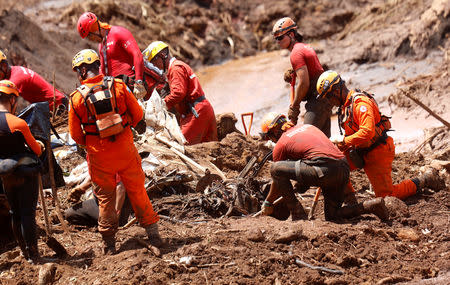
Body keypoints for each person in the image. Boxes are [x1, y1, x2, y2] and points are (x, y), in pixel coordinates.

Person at [68, 49, 162, 254]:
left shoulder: (76, 99)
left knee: (105, 200)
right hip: (125, 149)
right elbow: (138, 115)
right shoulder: (118, 86)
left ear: (83, 70)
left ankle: (110, 245)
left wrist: (94, 142)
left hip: (99, 155)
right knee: (138, 191)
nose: (78, 74)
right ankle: (154, 235)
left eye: (78, 71)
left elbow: (75, 136)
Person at [316, 70, 445, 199]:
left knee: (386, 196)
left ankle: (425, 180)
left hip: (377, 151)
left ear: (336, 92)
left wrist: (344, 140)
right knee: (334, 166)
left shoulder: (360, 104)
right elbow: (354, 136)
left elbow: (367, 132)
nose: (328, 102)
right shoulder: (345, 107)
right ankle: (351, 200)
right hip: (361, 150)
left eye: (328, 97)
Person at [259, 112, 389, 221]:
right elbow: (310, 158)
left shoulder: (281, 143)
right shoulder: (309, 127)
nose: (272, 140)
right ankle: (370, 206)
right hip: (343, 168)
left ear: (275, 130)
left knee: (275, 168)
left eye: (270, 136)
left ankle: (297, 214)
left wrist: (268, 202)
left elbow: (277, 178)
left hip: (325, 170)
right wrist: (302, 184)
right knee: (333, 215)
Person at [0, 80, 45, 262]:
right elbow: (37, 149)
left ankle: (24, 254)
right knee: (27, 214)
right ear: (12, 99)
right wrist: (40, 143)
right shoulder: (18, 123)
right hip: (25, 174)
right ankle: (34, 256)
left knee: (15, 214)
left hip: (6, 175)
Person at [142, 41, 218, 145]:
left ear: (163, 55)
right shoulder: (178, 66)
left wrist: (163, 104)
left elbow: (178, 93)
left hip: (195, 112)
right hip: (202, 109)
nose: (155, 66)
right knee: (211, 148)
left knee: (182, 145)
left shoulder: (175, 68)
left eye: (154, 62)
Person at [272, 17, 332, 137]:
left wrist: (294, 107)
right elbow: (313, 70)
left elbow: (304, 83)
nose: (278, 41)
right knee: (324, 142)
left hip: (317, 101)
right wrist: (294, 71)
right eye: (276, 38)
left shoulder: (296, 53)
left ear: (291, 34)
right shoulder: (303, 47)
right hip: (325, 98)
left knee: (306, 138)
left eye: (280, 37)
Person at [77, 12, 146, 99]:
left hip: (132, 86)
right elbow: (103, 70)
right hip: (116, 90)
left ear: (94, 29)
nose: (91, 40)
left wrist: (139, 82)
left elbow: (137, 55)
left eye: (89, 36)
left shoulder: (118, 33)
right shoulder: (101, 45)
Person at [0, 50, 67, 112]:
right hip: (55, 103)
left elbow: (6, 105)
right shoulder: (15, 70)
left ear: (4, 66)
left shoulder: (15, 80)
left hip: (57, 107)